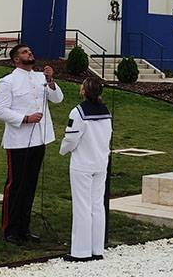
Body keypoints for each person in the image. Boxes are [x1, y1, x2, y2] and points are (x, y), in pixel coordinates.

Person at [0, 44, 63, 246]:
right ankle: (10, 229)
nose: (30, 53)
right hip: (18, 141)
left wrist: (50, 81)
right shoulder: (8, 81)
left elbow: (58, 99)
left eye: (30, 51)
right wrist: (25, 118)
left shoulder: (41, 77)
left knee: (30, 185)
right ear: (16, 59)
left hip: (39, 139)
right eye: (24, 52)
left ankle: (24, 228)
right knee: (16, 186)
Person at [58, 77, 112, 262]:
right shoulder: (106, 111)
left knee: (82, 206)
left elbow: (72, 138)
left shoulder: (78, 111)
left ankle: (80, 252)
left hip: (82, 164)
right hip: (100, 162)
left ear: (84, 91)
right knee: (97, 205)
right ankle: (97, 249)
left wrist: (63, 150)